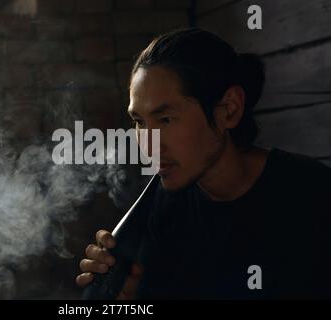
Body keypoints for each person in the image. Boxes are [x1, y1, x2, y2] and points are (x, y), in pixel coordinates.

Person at [75, 28, 331, 299]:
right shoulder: (162, 210)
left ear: (228, 110)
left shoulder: (313, 195)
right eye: (139, 122)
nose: (148, 146)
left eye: (165, 120)